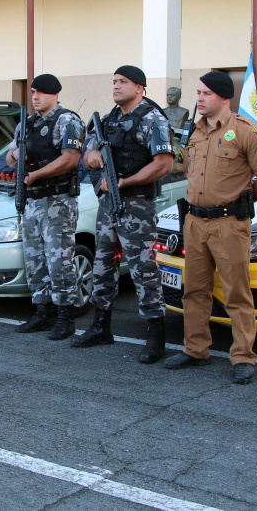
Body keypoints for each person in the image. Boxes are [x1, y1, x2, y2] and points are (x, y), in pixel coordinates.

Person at [163, 72, 257, 383]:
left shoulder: (245, 131)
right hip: (195, 221)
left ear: (225, 98)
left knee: (236, 292)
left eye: (207, 93)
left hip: (229, 222)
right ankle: (195, 348)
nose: (199, 98)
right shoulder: (194, 132)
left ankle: (243, 356)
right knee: (195, 290)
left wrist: (238, 202)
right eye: (198, 92)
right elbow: (185, 166)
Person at [71, 65, 174, 364]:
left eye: (123, 82)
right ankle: (101, 327)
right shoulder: (108, 120)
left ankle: (156, 336)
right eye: (114, 81)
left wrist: (124, 182)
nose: (116, 86)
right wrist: (94, 158)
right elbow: (88, 154)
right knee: (103, 265)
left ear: (140, 88)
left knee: (143, 269)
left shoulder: (152, 118)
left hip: (137, 205)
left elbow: (164, 164)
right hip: (108, 206)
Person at [6, 74, 85, 340]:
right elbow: (9, 156)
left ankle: (65, 316)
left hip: (57, 201)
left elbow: (70, 159)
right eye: (33, 92)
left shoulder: (67, 121)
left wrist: (37, 174)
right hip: (32, 201)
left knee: (59, 261)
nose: (35, 97)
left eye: (40, 92)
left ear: (54, 95)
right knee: (35, 260)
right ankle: (43, 311)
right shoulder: (25, 125)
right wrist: (18, 155)